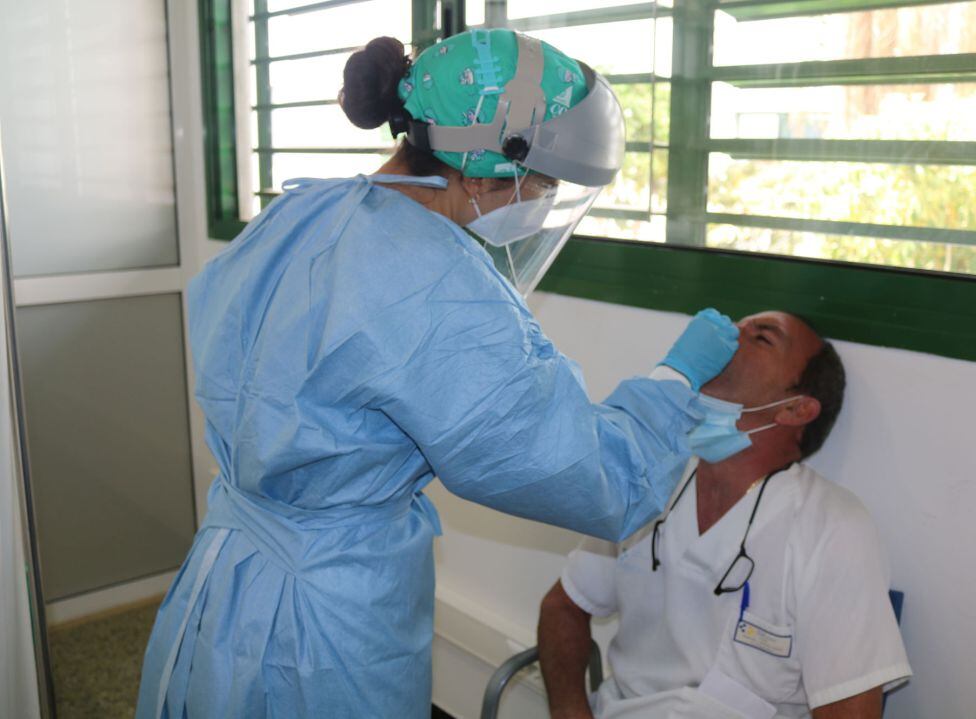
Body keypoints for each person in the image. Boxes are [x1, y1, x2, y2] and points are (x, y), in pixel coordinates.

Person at [136, 29, 743, 719]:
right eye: (542, 183)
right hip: (320, 618)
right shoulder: (436, 286)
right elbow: (593, 478)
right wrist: (673, 382)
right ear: (488, 168)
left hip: (228, 571)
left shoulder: (306, 210)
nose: (541, 201)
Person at [539, 312, 912, 719]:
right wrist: (570, 712)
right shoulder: (649, 475)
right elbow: (563, 607)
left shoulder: (833, 528)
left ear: (794, 409)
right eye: (736, 325)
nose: (729, 335)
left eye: (762, 337)